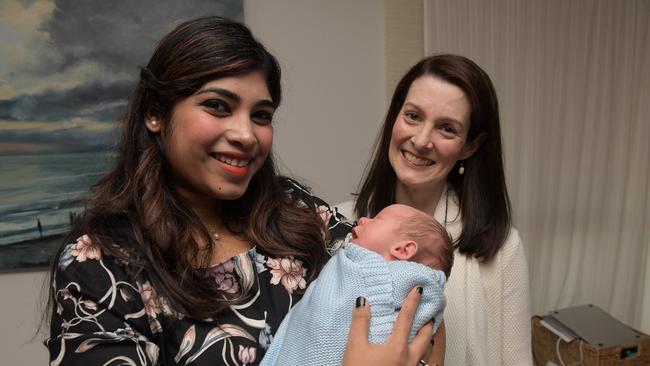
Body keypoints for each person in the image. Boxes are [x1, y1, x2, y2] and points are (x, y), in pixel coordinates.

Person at [45, 16, 435, 366]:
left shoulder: (297, 212)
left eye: (261, 116)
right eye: (217, 106)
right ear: (155, 113)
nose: (246, 135)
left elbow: (417, 291)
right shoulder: (99, 265)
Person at [337, 54, 533, 365]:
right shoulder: (336, 225)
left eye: (447, 129)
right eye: (413, 116)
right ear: (395, 117)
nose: (421, 140)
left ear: (470, 146)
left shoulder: (502, 248)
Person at [261, 204, 453, 366]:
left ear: (403, 249)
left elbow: (414, 322)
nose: (361, 219)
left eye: (377, 219)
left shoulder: (406, 281)